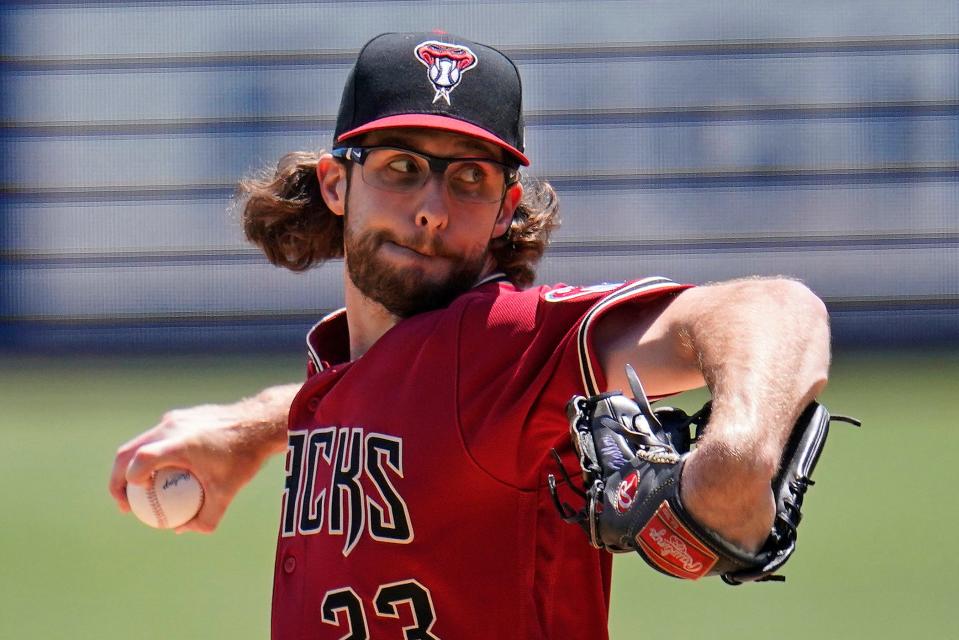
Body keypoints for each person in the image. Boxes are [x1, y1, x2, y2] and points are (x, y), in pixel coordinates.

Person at [109, 32, 830, 639]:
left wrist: (736, 454)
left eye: (469, 180)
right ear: (335, 183)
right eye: (401, 168)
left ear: (505, 209)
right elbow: (397, 396)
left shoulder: (503, 343)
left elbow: (773, 307)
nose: (431, 208)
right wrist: (253, 429)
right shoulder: (364, 365)